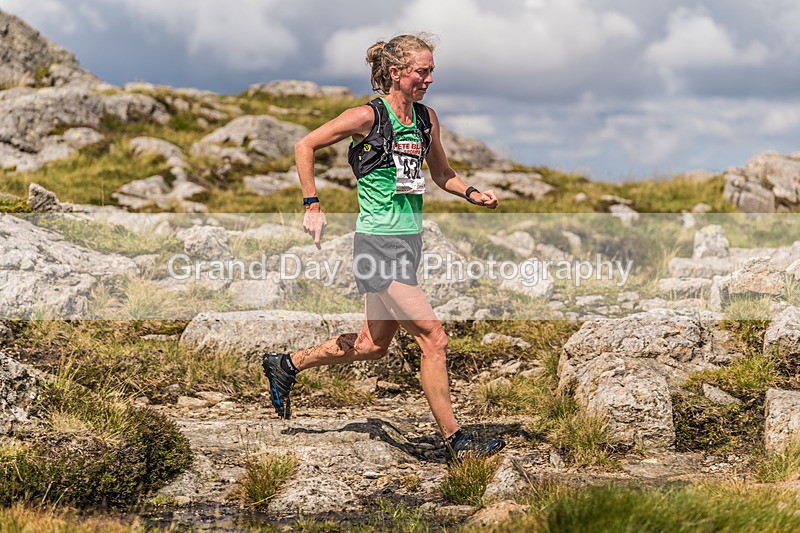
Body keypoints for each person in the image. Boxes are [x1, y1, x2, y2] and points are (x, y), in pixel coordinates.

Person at [262, 34, 505, 461]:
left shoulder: (427, 119)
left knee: (372, 346)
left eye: (431, 70)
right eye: (421, 71)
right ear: (396, 73)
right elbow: (305, 145)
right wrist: (312, 203)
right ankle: (456, 441)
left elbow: (442, 171)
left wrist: (472, 193)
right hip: (377, 244)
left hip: (408, 243)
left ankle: (287, 364)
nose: (429, 78)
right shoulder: (366, 116)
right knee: (434, 338)